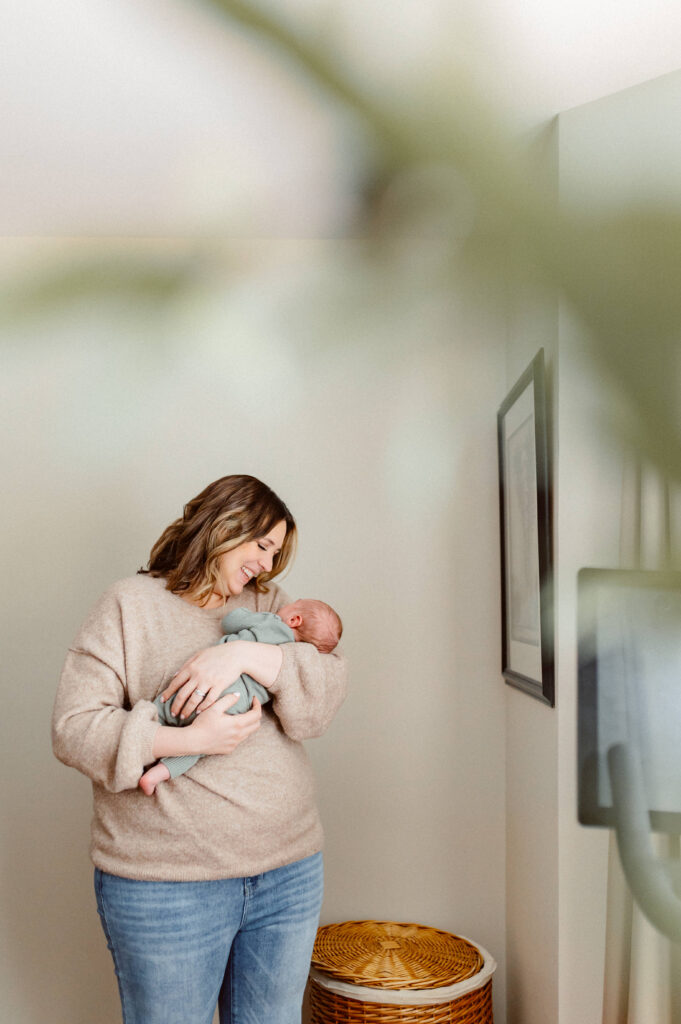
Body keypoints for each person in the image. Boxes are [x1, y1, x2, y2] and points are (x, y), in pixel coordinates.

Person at [52, 474, 348, 1024]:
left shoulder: (271, 605)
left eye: (276, 553)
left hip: (288, 873)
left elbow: (323, 697)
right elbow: (74, 728)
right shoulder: (129, 604)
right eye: (262, 545)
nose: (267, 563)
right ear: (225, 524)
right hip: (168, 886)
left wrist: (239, 657)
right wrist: (187, 740)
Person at [139, 599, 343, 795]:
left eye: (292, 604)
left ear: (294, 620)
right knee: (199, 749)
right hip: (233, 705)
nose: (283, 605)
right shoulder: (296, 654)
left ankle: (143, 745)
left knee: (163, 709)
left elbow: (231, 621)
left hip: (203, 688)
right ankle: (158, 774)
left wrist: (250, 615)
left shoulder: (271, 622)